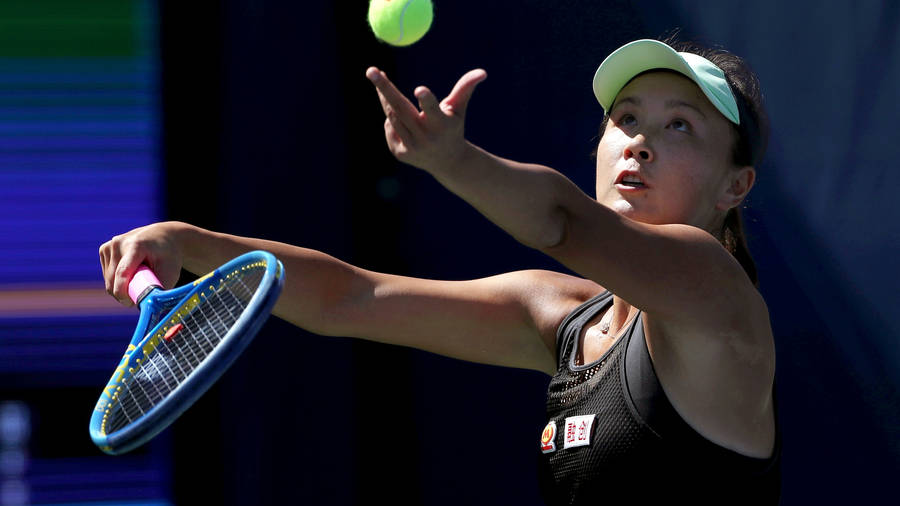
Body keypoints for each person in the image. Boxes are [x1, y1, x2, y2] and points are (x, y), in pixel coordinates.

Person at [99, 38, 780, 504]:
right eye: (625, 119)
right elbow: (350, 298)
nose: (638, 143)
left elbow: (564, 221)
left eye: (679, 126)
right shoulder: (562, 317)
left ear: (736, 185)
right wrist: (191, 241)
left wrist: (453, 160)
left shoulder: (718, 295)